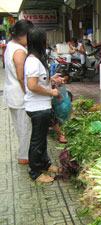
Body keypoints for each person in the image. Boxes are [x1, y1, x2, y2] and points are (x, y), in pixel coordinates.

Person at [24, 27, 64, 183]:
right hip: (37, 108)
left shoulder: (36, 58)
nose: (46, 41)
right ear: (40, 41)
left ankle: (45, 164)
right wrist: (51, 92)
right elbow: (32, 85)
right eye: (45, 39)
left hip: (42, 107)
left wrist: (51, 79)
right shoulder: (33, 61)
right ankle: (35, 172)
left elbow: (38, 80)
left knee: (42, 140)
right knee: (37, 141)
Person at [3, 19, 34, 165]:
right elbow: (21, 77)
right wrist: (29, 95)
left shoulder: (10, 45)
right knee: (26, 128)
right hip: (20, 95)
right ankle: (25, 157)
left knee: (20, 127)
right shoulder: (20, 51)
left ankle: (24, 153)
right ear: (24, 35)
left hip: (11, 94)